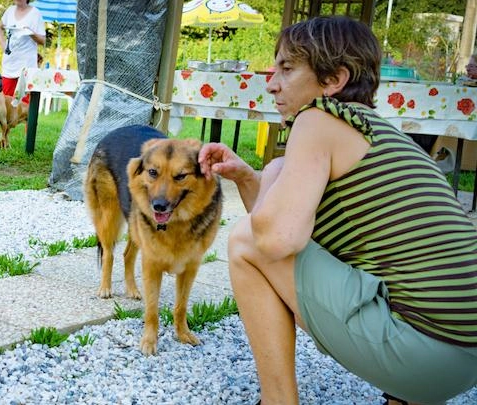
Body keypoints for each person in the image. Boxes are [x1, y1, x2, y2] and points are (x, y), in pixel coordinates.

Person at [198, 16, 477, 405]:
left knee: (244, 239)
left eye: (287, 68)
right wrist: (250, 178)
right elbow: (296, 235)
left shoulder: (317, 118)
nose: (272, 82)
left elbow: (274, 239)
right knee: (277, 190)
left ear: (333, 81)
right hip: (462, 361)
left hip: (421, 357)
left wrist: (273, 183)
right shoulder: (381, 134)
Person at [0, 0, 46, 97]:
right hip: (9, 64)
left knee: (24, 104)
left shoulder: (35, 14)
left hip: (26, 65)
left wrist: (30, 33)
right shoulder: (9, 11)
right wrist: (3, 45)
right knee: (7, 101)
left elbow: (43, 41)